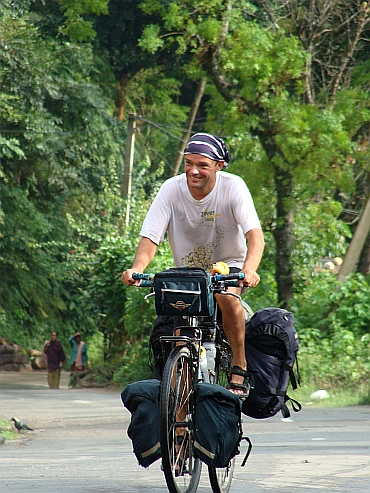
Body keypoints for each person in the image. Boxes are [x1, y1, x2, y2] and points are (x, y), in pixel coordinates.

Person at [121, 133, 264, 397]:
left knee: (225, 297)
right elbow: (150, 237)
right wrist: (136, 268)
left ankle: (239, 364)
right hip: (188, 273)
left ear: (219, 165)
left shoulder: (234, 187)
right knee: (175, 327)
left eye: (202, 165)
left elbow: (255, 236)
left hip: (227, 267)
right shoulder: (171, 189)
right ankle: (178, 420)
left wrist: (249, 270)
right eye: (188, 163)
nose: (193, 171)